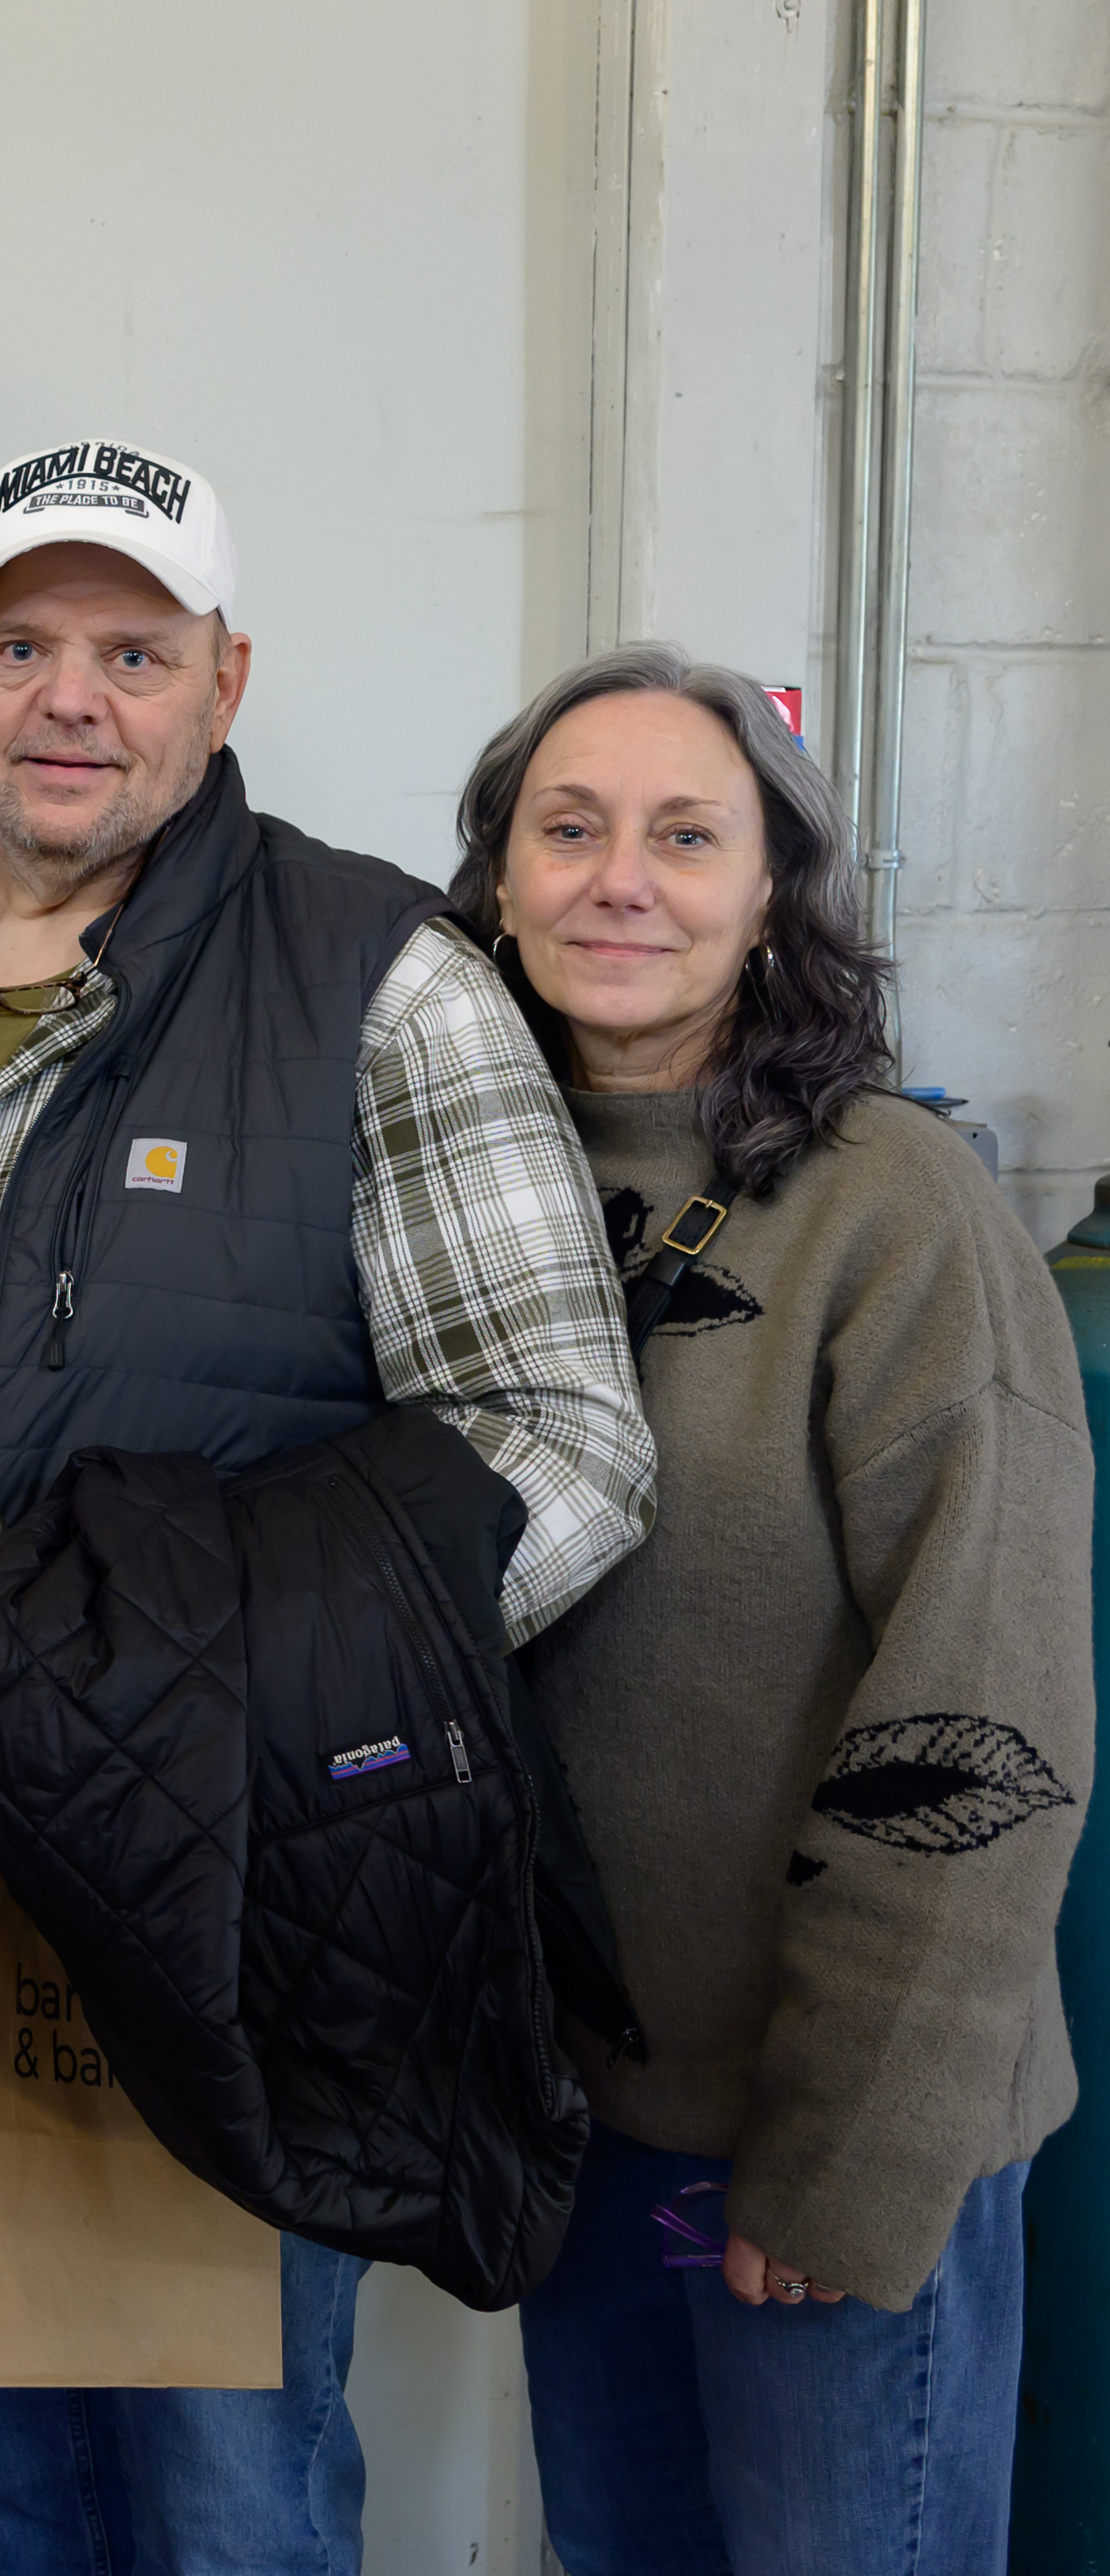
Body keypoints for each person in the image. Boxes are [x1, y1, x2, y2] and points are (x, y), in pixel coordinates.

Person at [0, 441, 657, 2575]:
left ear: (220, 680)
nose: (69, 697)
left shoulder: (377, 980)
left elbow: (561, 1444)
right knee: (3, 2503)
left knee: (225, 2517)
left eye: (130, 650)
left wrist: (153, 1695)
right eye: (21, 641)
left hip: (215, 1930)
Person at [455, 647, 1088, 2576]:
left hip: (826, 2136)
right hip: (589, 2120)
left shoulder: (889, 1202)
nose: (616, 879)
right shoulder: (471, 1194)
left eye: (683, 835)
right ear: (495, 878)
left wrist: (853, 2151)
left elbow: (984, 1705)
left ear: (772, 894)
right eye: (568, 829)